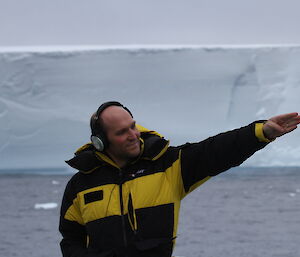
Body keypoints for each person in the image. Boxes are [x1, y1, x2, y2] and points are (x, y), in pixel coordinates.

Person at [59, 101, 300, 257]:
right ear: (101, 141)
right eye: (122, 132)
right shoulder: (81, 185)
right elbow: (70, 240)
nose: (133, 135)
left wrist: (262, 132)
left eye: (133, 126)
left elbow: (217, 151)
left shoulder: (167, 166)